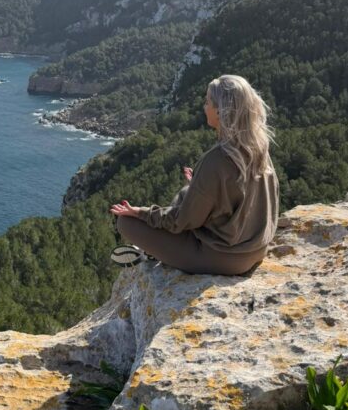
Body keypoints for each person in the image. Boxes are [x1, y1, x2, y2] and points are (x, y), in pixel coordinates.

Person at [110, 74, 280, 276]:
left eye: (207, 101)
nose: (204, 106)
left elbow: (182, 221)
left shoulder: (217, 159)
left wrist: (140, 212)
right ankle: (159, 249)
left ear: (219, 111)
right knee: (186, 191)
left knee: (126, 223)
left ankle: (155, 252)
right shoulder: (259, 149)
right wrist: (199, 183)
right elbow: (244, 196)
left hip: (222, 258)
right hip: (255, 249)